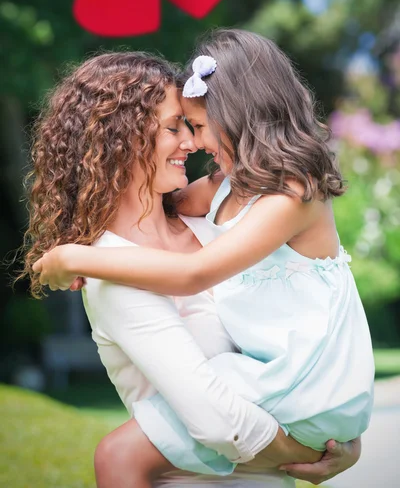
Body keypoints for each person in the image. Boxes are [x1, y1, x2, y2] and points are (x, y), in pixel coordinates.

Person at [33, 32, 372, 485]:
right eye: (177, 127)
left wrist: (73, 256)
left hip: (290, 401)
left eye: (195, 125)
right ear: (123, 138)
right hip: (221, 455)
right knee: (118, 455)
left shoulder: (269, 198)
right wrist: (305, 448)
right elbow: (218, 421)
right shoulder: (194, 212)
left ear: (238, 115)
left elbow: (193, 273)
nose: (192, 142)